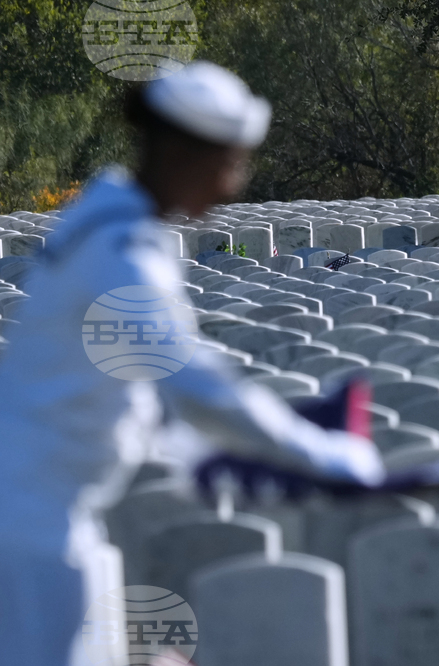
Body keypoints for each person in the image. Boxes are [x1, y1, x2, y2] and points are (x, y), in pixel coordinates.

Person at [0, 61, 384, 665]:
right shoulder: (120, 253)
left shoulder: (105, 221)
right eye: (229, 163)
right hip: (33, 524)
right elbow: (192, 380)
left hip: (52, 509)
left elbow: (116, 389)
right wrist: (319, 454)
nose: (233, 186)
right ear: (182, 154)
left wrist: (206, 455)